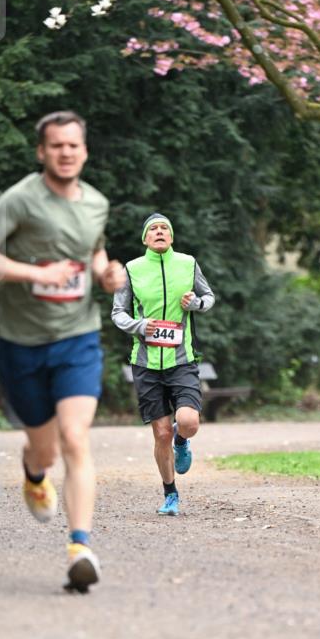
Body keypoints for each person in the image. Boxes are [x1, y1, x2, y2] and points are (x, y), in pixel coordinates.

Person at [0, 110, 125, 592]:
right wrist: (38, 274)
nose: (65, 153)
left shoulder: (96, 203)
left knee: (76, 438)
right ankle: (35, 474)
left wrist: (106, 274)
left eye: (73, 145)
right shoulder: (20, 199)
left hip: (77, 337)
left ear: (85, 151)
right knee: (45, 448)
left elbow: (92, 252)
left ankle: (80, 547)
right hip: (22, 344)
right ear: (42, 151)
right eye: (56, 145)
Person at [112, 213, 215, 516]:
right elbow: (118, 312)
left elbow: (209, 297)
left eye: (164, 228)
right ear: (145, 238)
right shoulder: (131, 269)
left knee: (188, 422)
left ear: (171, 236)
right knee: (160, 434)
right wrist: (140, 325)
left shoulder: (188, 263)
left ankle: (182, 441)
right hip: (145, 363)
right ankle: (170, 494)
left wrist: (196, 303)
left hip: (182, 359)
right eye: (153, 229)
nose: (159, 232)